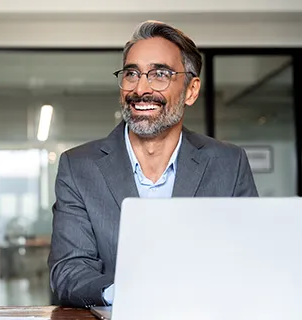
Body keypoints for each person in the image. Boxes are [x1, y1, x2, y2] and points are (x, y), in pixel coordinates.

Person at [47, 20, 259, 308]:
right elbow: (68, 272)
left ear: (191, 90)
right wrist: (128, 294)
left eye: (160, 74)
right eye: (131, 73)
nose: (141, 88)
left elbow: (251, 260)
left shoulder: (228, 163)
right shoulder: (78, 166)